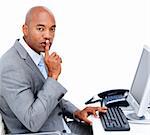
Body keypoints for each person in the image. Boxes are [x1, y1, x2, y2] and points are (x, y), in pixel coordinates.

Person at [0, 6, 107, 135]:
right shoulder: (10, 66)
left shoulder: (35, 54)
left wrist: (76, 112)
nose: (48, 36)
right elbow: (32, 120)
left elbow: (46, 97)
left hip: (59, 125)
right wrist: (53, 77)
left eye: (52, 29)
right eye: (40, 29)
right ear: (25, 30)